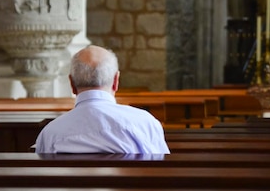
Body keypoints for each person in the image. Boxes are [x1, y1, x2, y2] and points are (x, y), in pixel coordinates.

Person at [35, 45, 170, 154]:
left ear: (72, 84)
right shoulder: (145, 124)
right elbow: (163, 172)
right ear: (116, 81)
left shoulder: (50, 134)